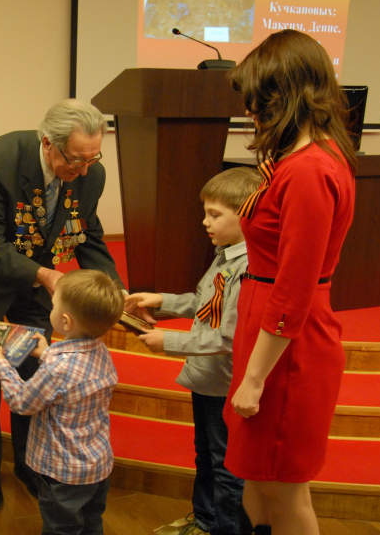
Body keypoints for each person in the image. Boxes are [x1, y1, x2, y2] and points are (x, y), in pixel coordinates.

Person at [0, 99, 124, 511]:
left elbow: (88, 231)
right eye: (76, 160)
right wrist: (45, 275)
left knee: (36, 366)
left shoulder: (89, 174)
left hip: (36, 281)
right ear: (49, 144)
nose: (83, 170)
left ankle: (30, 463)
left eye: (92, 159)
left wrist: (114, 289)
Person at [222, 30, 357, 535]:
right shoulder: (295, 162)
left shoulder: (309, 170)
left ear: (284, 94)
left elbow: (294, 289)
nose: (250, 109)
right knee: (260, 479)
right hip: (268, 333)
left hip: (286, 351)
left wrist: (255, 378)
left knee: (284, 490)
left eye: (256, 97)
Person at [125, 167, 262, 535]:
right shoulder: (225, 253)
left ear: (246, 214)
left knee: (227, 468)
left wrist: (167, 342)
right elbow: (206, 303)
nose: (205, 222)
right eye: (205, 212)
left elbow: (225, 337)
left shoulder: (250, 267)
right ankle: (204, 520)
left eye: (215, 215)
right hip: (206, 378)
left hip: (225, 384)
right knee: (207, 458)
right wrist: (163, 301)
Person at [0, 269, 124, 534]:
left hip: (63, 474)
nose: (51, 308)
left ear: (66, 322)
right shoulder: (101, 350)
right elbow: (73, 379)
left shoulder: (57, 369)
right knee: (92, 523)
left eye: (54, 304)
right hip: (97, 466)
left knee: (61, 528)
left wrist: (1, 364)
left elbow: (22, 402)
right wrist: (46, 353)